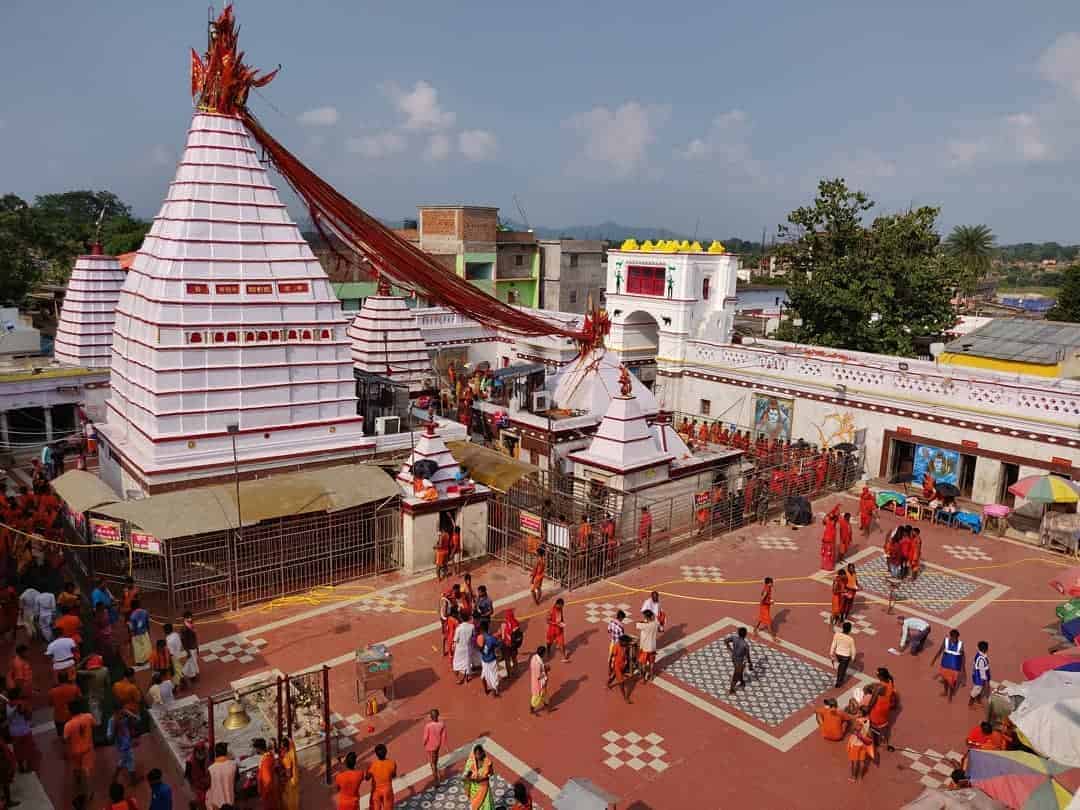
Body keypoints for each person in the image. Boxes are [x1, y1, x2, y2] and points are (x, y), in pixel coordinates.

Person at [64, 700, 96, 797]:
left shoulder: (68, 725)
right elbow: (94, 725)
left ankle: (78, 785)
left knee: (76, 768)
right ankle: (89, 792)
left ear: (70, 711)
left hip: (75, 752)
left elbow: (66, 740)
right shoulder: (88, 717)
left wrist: (67, 752)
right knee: (86, 771)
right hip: (87, 750)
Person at [6, 688, 37, 773]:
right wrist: (25, 711)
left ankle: (20, 766)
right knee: (28, 748)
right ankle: (28, 766)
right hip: (25, 730)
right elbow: (29, 717)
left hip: (14, 732)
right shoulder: (23, 704)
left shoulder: (7, 704)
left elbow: (8, 718)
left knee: (17, 750)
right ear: (18, 695)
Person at [867, 668, 896, 756]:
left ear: (881, 676)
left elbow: (872, 701)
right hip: (886, 707)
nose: (876, 674)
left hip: (878, 709)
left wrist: (867, 709)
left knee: (873, 726)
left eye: (877, 674)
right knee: (884, 725)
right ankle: (885, 741)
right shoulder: (890, 680)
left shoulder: (879, 688)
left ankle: (875, 741)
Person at [931, 629, 965, 702]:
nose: (955, 639)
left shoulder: (960, 644)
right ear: (951, 637)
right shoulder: (945, 641)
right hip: (945, 665)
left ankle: (950, 695)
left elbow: (962, 656)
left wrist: (963, 669)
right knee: (945, 680)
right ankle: (945, 692)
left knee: (952, 683)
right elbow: (940, 650)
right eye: (954, 638)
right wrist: (934, 659)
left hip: (955, 667)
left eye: (956, 638)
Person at [108, 705, 138, 786]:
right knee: (129, 761)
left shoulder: (125, 717)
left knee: (124, 761)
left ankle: (115, 778)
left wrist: (129, 713)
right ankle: (133, 780)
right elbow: (110, 737)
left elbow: (137, 719)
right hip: (122, 746)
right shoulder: (112, 721)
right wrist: (115, 727)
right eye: (119, 713)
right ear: (115, 712)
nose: (121, 714)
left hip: (127, 742)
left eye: (122, 712)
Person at [49, 669, 81, 737]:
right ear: (67, 678)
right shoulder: (74, 688)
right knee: (75, 736)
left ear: (58, 679)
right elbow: (80, 699)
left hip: (59, 718)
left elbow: (50, 704)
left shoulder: (52, 691)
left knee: (62, 737)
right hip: (72, 716)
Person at [462, 744, 495, 810]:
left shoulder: (487, 762)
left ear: (483, 753)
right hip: (474, 789)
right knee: (476, 805)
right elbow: (466, 777)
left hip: (484, 787)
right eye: (476, 754)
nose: (478, 756)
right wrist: (473, 779)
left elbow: (491, 773)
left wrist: (483, 778)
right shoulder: (471, 763)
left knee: (487, 805)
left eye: (479, 753)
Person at [846, 707, 874, 783]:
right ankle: (861, 777)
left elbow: (853, 730)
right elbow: (869, 734)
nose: (857, 713)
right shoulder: (867, 720)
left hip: (855, 744)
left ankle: (853, 777)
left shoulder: (858, 721)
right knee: (862, 761)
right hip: (864, 744)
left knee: (854, 762)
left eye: (859, 712)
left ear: (861, 713)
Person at [206, 743, 237, 810]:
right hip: (230, 801)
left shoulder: (211, 769)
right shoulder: (233, 765)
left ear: (216, 753)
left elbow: (207, 786)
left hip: (216, 804)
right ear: (226, 752)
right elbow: (236, 780)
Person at [367, 743, 396, 810]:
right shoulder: (392, 763)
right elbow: (394, 775)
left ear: (376, 754)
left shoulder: (373, 765)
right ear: (386, 752)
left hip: (376, 791)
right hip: (387, 790)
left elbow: (367, 778)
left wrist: (367, 771)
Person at [422, 709, 447, 787]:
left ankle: (436, 781)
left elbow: (425, 737)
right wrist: (444, 745)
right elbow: (444, 736)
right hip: (437, 745)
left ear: (430, 717)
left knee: (432, 763)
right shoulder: (442, 724)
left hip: (430, 746)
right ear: (438, 715)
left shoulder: (428, 726)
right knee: (435, 759)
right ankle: (435, 767)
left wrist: (424, 743)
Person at [725, 627, 753, 694]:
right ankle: (732, 690)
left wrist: (729, 649)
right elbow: (747, 656)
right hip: (740, 662)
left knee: (739, 672)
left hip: (734, 658)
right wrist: (750, 663)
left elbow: (726, 640)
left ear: (738, 633)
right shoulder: (745, 645)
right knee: (736, 675)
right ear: (745, 634)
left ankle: (742, 682)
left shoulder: (734, 638)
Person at [253, 739, 279, 810]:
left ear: (258, 748)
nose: (255, 751)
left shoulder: (265, 761)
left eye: (255, 749)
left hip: (267, 791)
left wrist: (265, 793)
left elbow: (267, 780)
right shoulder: (270, 755)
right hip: (271, 788)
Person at [476, 620, 501, 697]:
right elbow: (498, 644)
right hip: (491, 660)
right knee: (494, 676)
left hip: (484, 660)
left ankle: (486, 690)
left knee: (483, 676)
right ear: (487, 628)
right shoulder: (491, 638)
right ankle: (494, 692)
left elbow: (479, 647)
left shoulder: (480, 638)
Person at [183, 742, 210, 809]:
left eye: (204, 752)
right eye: (201, 753)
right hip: (197, 787)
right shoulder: (189, 762)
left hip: (206, 785)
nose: (203, 755)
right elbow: (187, 777)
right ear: (196, 752)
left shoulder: (206, 757)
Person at [830, 622, 856, 688]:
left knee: (841, 667)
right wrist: (853, 658)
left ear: (843, 628)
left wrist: (831, 653)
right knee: (842, 669)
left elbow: (833, 644)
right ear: (850, 630)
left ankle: (839, 679)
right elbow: (853, 650)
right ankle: (839, 682)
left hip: (838, 654)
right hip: (846, 656)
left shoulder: (837, 634)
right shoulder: (851, 639)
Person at [452, 612, 476, 685]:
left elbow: (455, 640)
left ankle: (458, 679)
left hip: (459, 649)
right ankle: (466, 679)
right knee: (467, 663)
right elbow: (473, 636)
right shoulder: (472, 626)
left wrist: (453, 647)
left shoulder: (458, 628)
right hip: (468, 648)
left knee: (456, 664)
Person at [636, 609, 659, 682]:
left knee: (643, 664)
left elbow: (637, 624)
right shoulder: (655, 624)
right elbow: (655, 620)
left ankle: (643, 678)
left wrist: (644, 621)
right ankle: (651, 676)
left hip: (645, 648)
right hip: (652, 647)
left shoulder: (644, 625)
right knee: (651, 663)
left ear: (646, 617)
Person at [498, 609, 522, 674]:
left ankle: (509, 673)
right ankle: (516, 671)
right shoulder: (516, 623)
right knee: (514, 658)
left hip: (506, 645)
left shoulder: (503, 625)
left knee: (507, 660)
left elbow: (503, 637)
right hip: (514, 645)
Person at [439, 586, 460, 656]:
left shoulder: (444, 598)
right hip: (446, 619)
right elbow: (445, 613)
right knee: (448, 635)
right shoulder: (446, 601)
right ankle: (448, 651)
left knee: (447, 635)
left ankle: (445, 651)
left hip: (444, 618)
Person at [279, 737, 300, 810]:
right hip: (295, 778)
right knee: (294, 797)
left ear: (285, 747)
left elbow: (288, 774)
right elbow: (292, 743)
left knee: (289, 799)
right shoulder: (292, 753)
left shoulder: (287, 757)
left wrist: (283, 781)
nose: (281, 748)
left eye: (282, 747)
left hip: (290, 782)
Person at [546, 598, 569, 663]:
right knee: (549, 642)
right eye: (562, 605)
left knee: (562, 643)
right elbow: (547, 621)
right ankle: (548, 651)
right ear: (557, 604)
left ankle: (563, 657)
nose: (562, 607)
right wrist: (556, 623)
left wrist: (562, 622)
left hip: (559, 629)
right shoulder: (551, 611)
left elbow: (561, 617)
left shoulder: (560, 608)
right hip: (552, 629)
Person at [164, 623, 186, 689]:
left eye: (164, 630)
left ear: (167, 630)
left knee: (177, 671)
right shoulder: (176, 634)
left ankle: (181, 683)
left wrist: (169, 660)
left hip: (173, 657)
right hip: (178, 654)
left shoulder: (168, 639)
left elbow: (170, 652)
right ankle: (177, 684)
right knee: (178, 670)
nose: (164, 631)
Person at [180, 612, 200, 683]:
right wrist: (187, 651)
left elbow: (195, 638)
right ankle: (192, 676)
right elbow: (183, 641)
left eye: (191, 617)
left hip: (193, 647)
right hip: (190, 648)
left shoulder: (191, 626)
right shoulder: (184, 629)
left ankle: (183, 673)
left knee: (191, 661)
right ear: (185, 619)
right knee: (192, 662)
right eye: (189, 617)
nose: (190, 619)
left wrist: (197, 647)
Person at [970, 641, 991, 708]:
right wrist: (984, 679)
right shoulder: (981, 659)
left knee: (980, 689)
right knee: (976, 690)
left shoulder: (980, 656)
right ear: (985, 649)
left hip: (978, 676)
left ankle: (978, 700)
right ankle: (970, 704)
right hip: (979, 677)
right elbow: (982, 670)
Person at [529, 646, 550, 715]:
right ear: (542, 654)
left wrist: (544, 668)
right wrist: (546, 671)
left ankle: (546, 706)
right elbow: (538, 676)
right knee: (537, 696)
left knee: (543, 694)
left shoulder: (534, 657)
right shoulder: (538, 663)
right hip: (539, 683)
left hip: (535, 680)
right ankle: (532, 708)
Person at [607, 609, 626, 682]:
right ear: (621, 618)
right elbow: (622, 638)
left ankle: (609, 669)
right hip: (618, 645)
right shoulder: (621, 627)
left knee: (610, 656)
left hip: (612, 641)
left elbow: (608, 630)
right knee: (618, 658)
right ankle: (615, 671)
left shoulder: (611, 622)